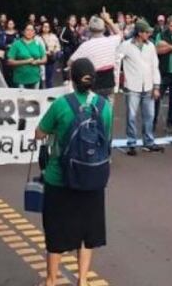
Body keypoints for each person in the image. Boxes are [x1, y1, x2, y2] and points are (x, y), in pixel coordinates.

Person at [35, 59, 112, 286]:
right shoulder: (104, 106)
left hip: (60, 178)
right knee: (87, 233)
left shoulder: (61, 104)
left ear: (72, 79)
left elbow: (40, 132)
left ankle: (51, 280)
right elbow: (105, 139)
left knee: (56, 232)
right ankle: (84, 280)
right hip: (93, 178)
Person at [116, 19, 162, 155]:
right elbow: (116, 60)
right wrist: (119, 79)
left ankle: (149, 142)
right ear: (139, 33)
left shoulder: (151, 46)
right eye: (146, 32)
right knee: (131, 116)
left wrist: (156, 86)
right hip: (132, 86)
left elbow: (155, 66)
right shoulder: (126, 45)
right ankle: (131, 143)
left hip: (148, 85)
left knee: (149, 115)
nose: (149, 34)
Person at [68, 12, 124, 97]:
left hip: (92, 83)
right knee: (107, 109)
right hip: (109, 83)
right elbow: (119, 34)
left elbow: (70, 62)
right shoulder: (111, 41)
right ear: (104, 29)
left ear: (89, 30)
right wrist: (108, 20)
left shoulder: (85, 45)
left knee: (93, 108)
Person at [7, 23, 46, 89]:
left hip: (35, 78)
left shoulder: (38, 43)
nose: (29, 32)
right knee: (22, 99)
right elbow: (9, 61)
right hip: (20, 79)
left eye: (32, 30)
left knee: (35, 98)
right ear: (23, 31)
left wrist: (37, 62)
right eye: (27, 30)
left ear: (34, 32)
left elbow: (45, 59)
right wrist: (26, 61)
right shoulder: (16, 44)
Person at [38, 21, 62, 88]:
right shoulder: (38, 37)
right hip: (40, 59)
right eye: (44, 26)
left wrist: (53, 51)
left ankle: (49, 93)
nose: (46, 28)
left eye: (47, 27)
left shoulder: (53, 36)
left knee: (49, 79)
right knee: (40, 78)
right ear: (42, 27)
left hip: (50, 59)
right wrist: (45, 52)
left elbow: (58, 46)